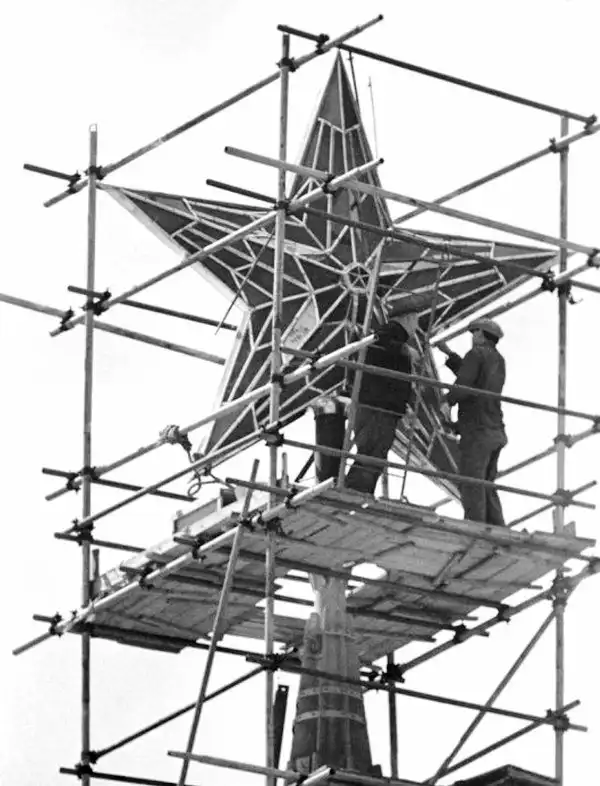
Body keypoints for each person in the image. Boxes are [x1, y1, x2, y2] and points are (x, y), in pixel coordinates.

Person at [344, 293, 432, 494]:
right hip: (378, 407)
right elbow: (377, 346)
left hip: (378, 406)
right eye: (415, 321)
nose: (416, 327)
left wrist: (404, 408)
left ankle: (356, 492)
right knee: (373, 452)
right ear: (408, 319)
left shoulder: (392, 336)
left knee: (374, 452)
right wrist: (404, 350)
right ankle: (354, 492)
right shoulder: (390, 334)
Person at [440, 318, 507, 526]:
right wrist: (449, 354)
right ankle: (496, 526)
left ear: (480, 334)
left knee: (471, 482)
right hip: (494, 430)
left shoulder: (475, 353)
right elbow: (475, 378)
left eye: (473, 333)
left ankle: (475, 526)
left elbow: (466, 381)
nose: (472, 337)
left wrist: (448, 401)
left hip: (477, 432)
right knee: (486, 483)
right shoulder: (498, 360)